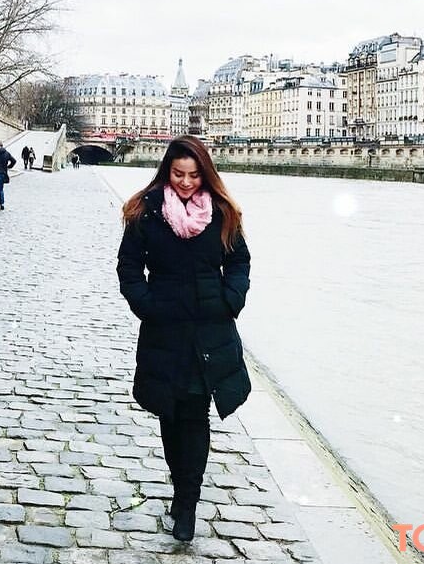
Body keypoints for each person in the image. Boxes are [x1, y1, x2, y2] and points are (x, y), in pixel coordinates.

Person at [116, 135, 252, 543]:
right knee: (170, 415)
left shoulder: (223, 213)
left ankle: (187, 502)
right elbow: (128, 267)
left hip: (209, 331)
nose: (187, 182)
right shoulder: (146, 212)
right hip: (165, 330)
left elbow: (239, 262)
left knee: (195, 415)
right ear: (167, 171)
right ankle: (180, 487)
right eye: (179, 174)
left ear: (205, 174)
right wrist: (147, 305)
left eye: (194, 175)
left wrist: (230, 299)